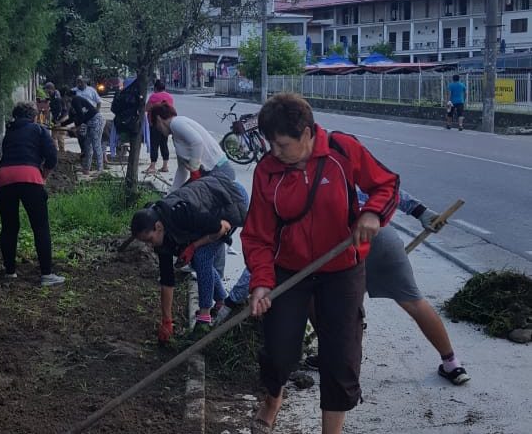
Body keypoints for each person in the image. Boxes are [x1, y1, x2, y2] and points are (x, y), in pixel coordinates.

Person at [241, 93, 399, 434]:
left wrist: (372, 212)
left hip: (341, 269)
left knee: (341, 355)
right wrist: (262, 282)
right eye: (270, 144)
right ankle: (273, 398)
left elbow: (386, 184)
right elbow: (257, 235)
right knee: (279, 350)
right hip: (290, 270)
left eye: (283, 144)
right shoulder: (267, 171)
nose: (275, 152)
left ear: (308, 134)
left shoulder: (342, 151)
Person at [217, 189, 471, 387]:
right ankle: (452, 363)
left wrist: (231, 302)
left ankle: (335, 357)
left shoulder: (291, 194)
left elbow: (262, 255)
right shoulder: (344, 165)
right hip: (380, 237)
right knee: (413, 301)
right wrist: (422, 213)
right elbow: (390, 191)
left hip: (344, 245)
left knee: (313, 298)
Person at [131, 175, 248, 342]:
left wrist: (192, 247)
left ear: (158, 227)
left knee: (201, 257)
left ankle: (204, 320)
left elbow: (220, 228)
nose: (150, 246)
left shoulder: (180, 213)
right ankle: (221, 301)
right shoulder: (160, 227)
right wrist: (167, 321)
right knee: (195, 259)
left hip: (229, 200)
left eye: (149, 240)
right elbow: (167, 279)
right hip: (209, 208)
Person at [0, 102, 64, 287]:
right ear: (33, 116)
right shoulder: (39, 130)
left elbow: (5, 152)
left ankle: (10, 273)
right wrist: (44, 175)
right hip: (29, 175)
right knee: (40, 226)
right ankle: (46, 275)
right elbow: (52, 156)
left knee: (9, 227)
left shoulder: (9, 131)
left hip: (4, 176)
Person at [148, 103, 235, 192]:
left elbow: (197, 142)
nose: (158, 130)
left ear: (159, 119)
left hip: (219, 172)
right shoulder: (176, 135)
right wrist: (172, 191)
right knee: (181, 196)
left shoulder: (176, 123)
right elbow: (182, 170)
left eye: (155, 125)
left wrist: (194, 170)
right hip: (209, 173)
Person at [60, 89, 104, 175]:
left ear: (67, 96)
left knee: (96, 144)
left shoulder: (76, 99)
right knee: (87, 145)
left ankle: (100, 169)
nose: (64, 100)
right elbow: (72, 118)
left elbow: (81, 115)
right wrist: (61, 124)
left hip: (96, 120)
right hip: (87, 123)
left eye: (64, 98)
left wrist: (77, 127)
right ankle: (86, 168)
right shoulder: (71, 105)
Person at [143, 80, 173, 174]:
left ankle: (152, 166)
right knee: (164, 144)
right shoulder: (170, 97)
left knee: (154, 145)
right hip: (166, 125)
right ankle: (165, 166)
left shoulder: (153, 96)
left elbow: (146, 109)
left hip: (155, 124)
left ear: (155, 88)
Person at [44, 82, 66, 153]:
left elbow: (60, 110)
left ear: (52, 89)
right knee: (54, 137)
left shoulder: (57, 97)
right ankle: (56, 152)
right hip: (57, 118)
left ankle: (61, 153)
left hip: (61, 118)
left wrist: (57, 120)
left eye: (48, 91)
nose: (48, 92)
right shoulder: (53, 96)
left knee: (60, 136)